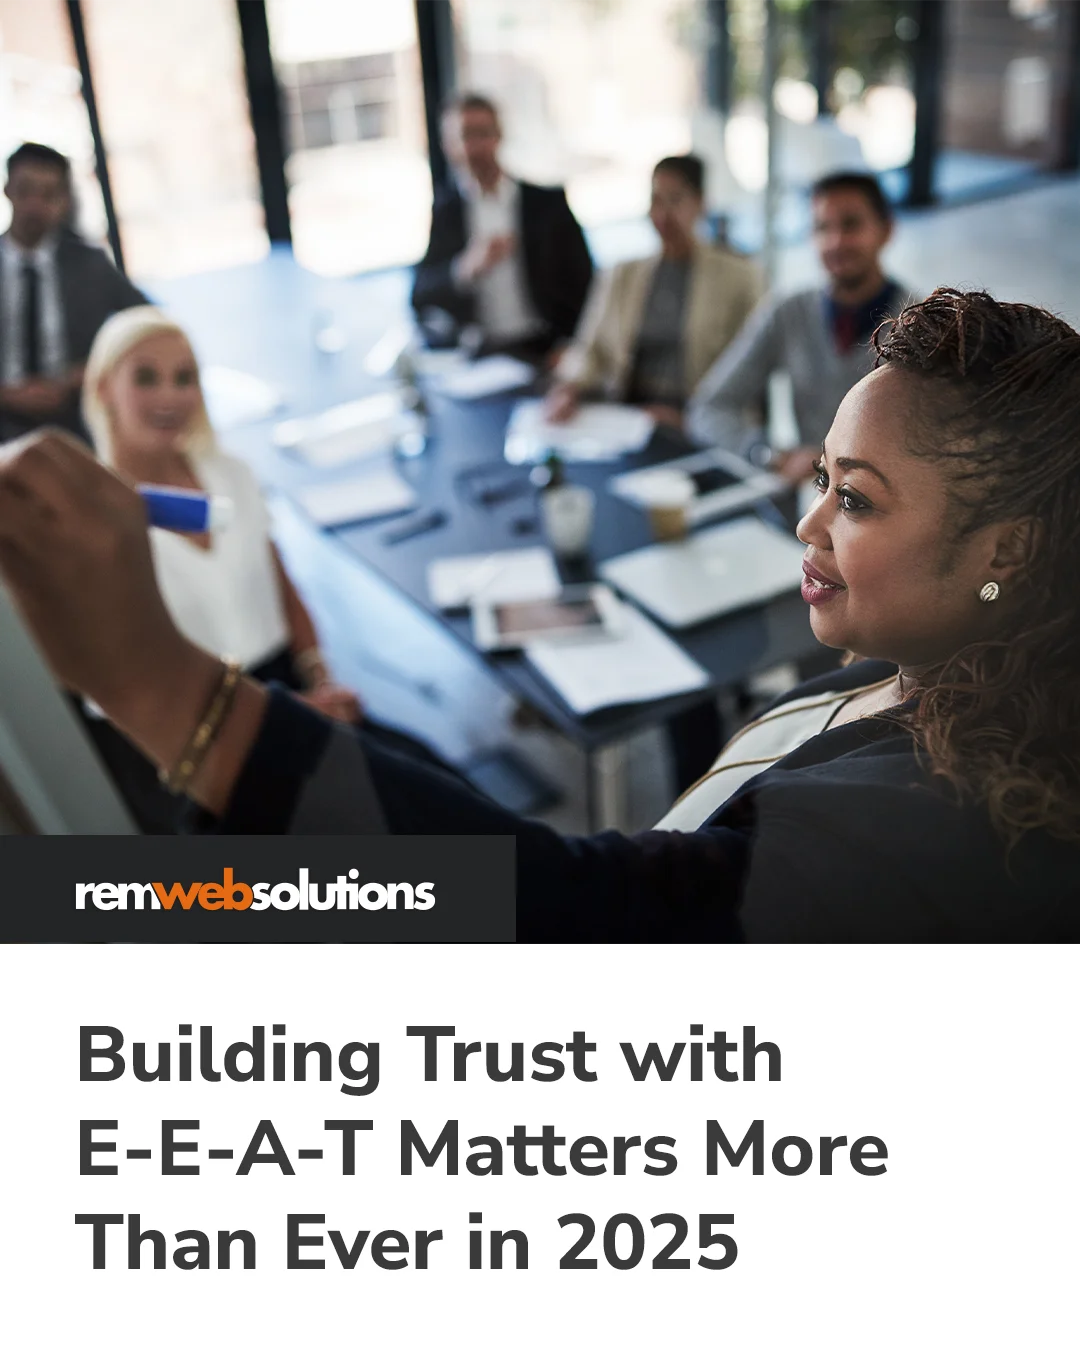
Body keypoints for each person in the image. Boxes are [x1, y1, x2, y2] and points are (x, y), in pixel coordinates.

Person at [2, 290, 1079, 937]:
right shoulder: (914, 670)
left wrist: (158, 680)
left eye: (855, 499)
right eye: (820, 482)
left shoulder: (943, 835)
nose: (810, 529)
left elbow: (582, 921)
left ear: (1007, 550)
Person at [75, 306, 444, 830]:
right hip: (190, 743)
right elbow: (122, 698)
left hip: (286, 692)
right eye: (146, 377)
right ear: (103, 388)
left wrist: (321, 678)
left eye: (185, 378)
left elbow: (282, 586)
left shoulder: (231, 475)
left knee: (432, 791)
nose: (169, 396)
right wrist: (275, 727)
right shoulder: (93, 524)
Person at [688, 172, 916, 484]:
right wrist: (767, 453)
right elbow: (709, 408)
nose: (836, 242)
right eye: (823, 228)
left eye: (851, 225)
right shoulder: (788, 311)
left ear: (886, 230)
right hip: (809, 500)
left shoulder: (921, 326)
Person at [547, 154, 762, 430]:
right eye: (656, 201)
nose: (662, 214)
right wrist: (568, 388)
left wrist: (689, 420)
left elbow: (748, 376)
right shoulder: (623, 274)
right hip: (627, 417)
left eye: (675, 200)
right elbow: (589, 349)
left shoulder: (739, 277)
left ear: (700, 204)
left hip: (695, 422)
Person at [411, 93, 593, 362]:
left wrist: (571, 344)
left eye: (482, 134)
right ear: (448, 145)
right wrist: (464, 268)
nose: (474, 148)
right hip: (482, 354)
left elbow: (586, 285)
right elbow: (421, 294)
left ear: (499, 136)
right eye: (464, 136)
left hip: (545, 347)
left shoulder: (546, 204)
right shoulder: (447, 211)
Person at [0, 142, 147, 442]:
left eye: (48, 194)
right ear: (7, 190)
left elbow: (147, 325)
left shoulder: (90, 264)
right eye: (25, 190)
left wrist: (82, 374)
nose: (34, 206)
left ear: (64, 200)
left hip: (77, 414)